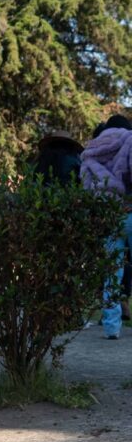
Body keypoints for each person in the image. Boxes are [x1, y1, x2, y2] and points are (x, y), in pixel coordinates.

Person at [79, 120, 132, 339]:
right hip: (130, 210)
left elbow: (85, 185)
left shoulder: (90, 151)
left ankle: (112, 327)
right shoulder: (129, 139)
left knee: (112, 270)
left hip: (108, 215)